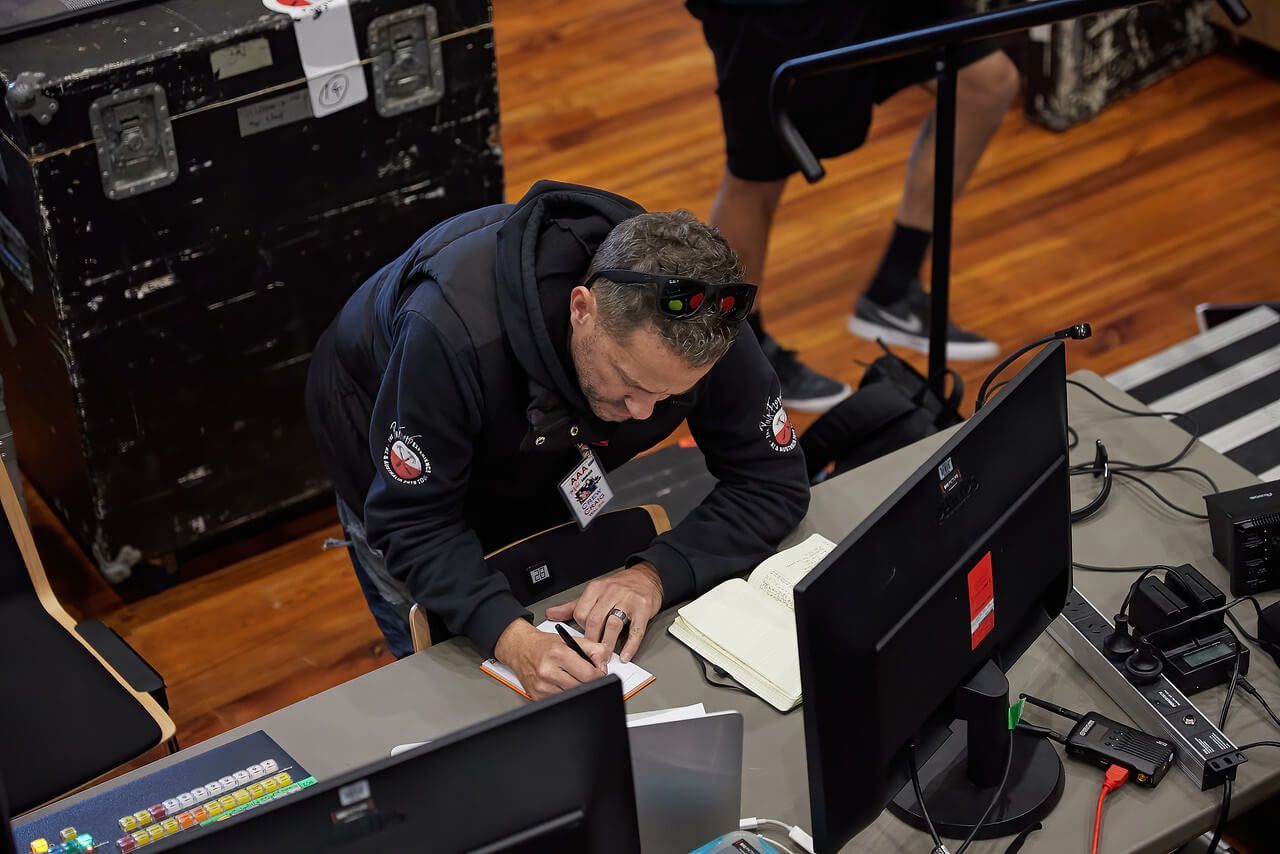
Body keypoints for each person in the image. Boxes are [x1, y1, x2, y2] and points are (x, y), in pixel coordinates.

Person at [305, 180, 810, 698]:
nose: (642, 413)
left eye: (671, 395)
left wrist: (654, 576)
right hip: (390, 431)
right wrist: (509, 636)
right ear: (581, 308)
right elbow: (413, 522)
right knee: (448, 684)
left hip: (550, 447)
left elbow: (773, 483)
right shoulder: (450, 331)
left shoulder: (703, 325)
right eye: (630, 382)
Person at [688, 0, 1021, 399]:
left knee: (985, 81)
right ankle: (740, 353)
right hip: (774, 13)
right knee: (758, 172)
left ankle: (894, 287)